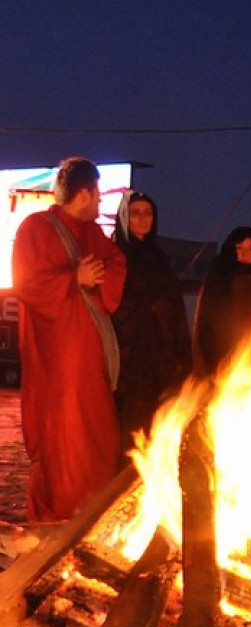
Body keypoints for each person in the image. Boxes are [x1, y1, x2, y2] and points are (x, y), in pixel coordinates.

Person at [12, 157, 127, 522]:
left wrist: (95, 279)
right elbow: (27, 285)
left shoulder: (93, 233)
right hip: (58, 363)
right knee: (64, 441)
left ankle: (94, 520)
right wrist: (73, 279)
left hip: (90, 362)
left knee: (99, 438)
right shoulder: (36, 228)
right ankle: (59, 523)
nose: (99, 204)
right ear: (83, 193)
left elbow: (116, 265)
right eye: (96, 196)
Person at [110, 191, 192, 454]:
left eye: (148, 213)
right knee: (129, 431)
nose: (142, 219)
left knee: (158, 426)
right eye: (136, 213)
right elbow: (113, 306)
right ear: (124, 218)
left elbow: (176, 309)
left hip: (162, 360)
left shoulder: (160, 259)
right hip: (129, 362)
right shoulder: (115, 256)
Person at [193, 226, 251, 378]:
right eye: (239, 247)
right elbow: (206, 321)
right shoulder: (219, 276)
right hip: (223, 356)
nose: (244, 253)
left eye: (250, 248)